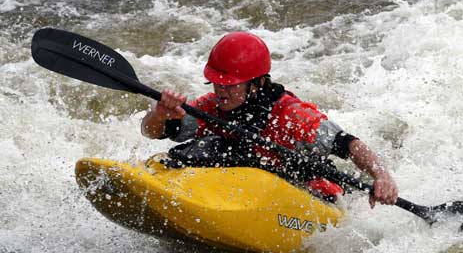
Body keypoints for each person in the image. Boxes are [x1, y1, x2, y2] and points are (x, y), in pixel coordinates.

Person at [141, 31, 398, 207]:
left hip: (307, 194)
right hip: (250, 190)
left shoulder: (291, 115)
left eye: (230, 85)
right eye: (217, 83)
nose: (221, 91)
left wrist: (381, 175)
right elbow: (153, 131)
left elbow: (348, 144)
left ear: (257, 84)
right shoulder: (211, 106)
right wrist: (160, 113)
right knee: (200, 150)